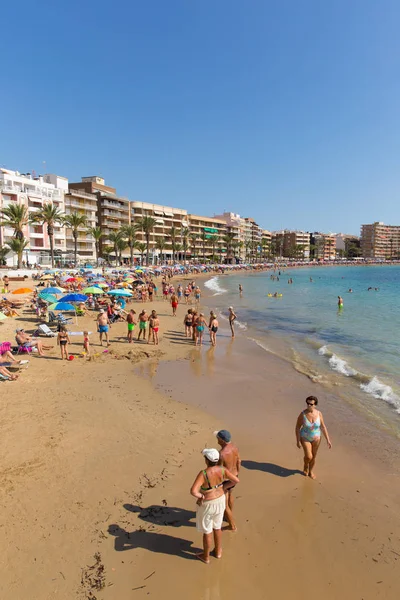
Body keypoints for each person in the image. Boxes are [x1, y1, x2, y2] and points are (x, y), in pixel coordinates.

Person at [190, 448, 239, 564]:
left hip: (208, 503)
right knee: (217, 527)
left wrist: (201, 496)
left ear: (207, 460)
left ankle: (206, 556)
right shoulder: (222, 470)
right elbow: (236, 480)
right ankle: (218, 552)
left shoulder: (204, 473)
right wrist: (224, 488)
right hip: (220, 500)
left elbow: (193, 491)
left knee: (207, 530)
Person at [295, 396, 332, 479]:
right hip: (305, 437)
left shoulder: (319, 414)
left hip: (317, 438)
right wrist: (297, 441)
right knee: (309, 456)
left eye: (311, 404)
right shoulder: (303, 414)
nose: (308, 405)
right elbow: (297, 427)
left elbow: (323, 427)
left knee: (314, 456)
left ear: (315, 405)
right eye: (307, 403)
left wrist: (328, 440)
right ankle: (305, 465)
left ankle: (311, 471)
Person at [215, 430, 241, 531]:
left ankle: (232, 525)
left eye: (217, 438)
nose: (216, 439)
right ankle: (228, 516)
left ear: (221, 440)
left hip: (226, 479)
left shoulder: (221, 454)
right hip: (235, 476)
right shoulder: (235, 447)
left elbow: (218, 470)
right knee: (230, 494)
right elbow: (239, 461)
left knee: (224, 504)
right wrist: (237, 473)